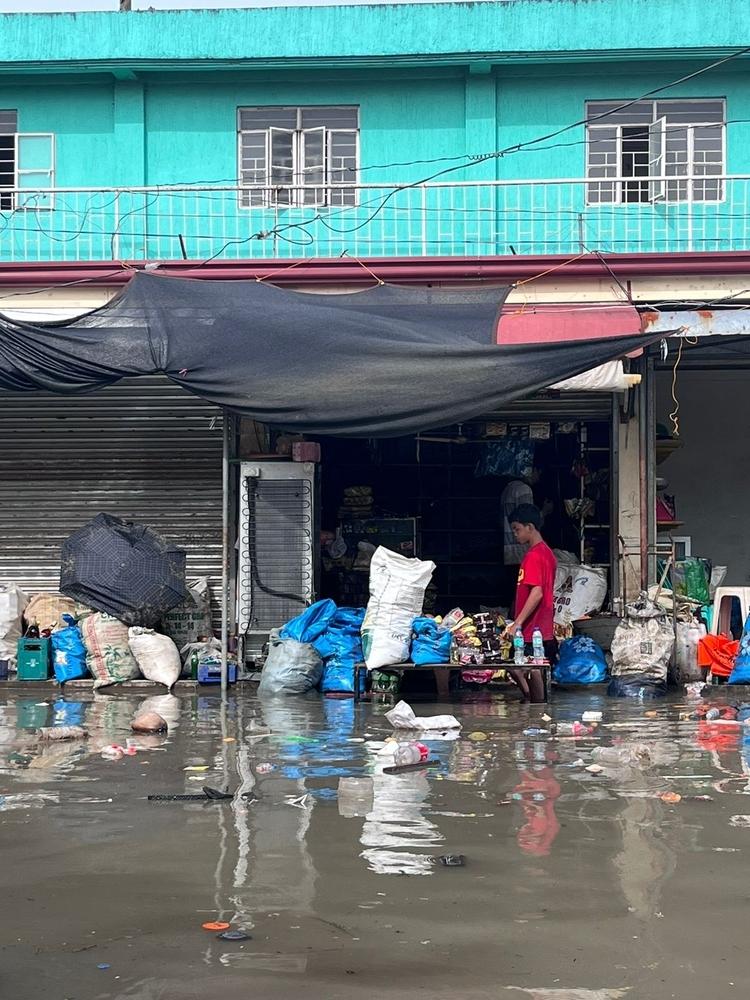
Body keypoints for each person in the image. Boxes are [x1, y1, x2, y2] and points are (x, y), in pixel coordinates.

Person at [503, 503, 558, 703]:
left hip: (532, 629)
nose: (515, 535)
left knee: (531, 669)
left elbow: (537, 593)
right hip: (543, 628)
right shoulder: (548, 554)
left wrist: (517, 623)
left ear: (530, 527)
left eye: (517, 529)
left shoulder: (533, 556)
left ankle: (537, 712)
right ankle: (534, 704)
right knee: (523, 669)